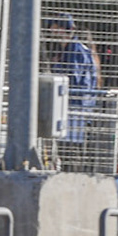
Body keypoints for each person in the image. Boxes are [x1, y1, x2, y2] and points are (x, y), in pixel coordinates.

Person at [46, 15, 100, 143]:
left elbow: (74, 78)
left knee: (70, 147)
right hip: (74, 106)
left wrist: (57, 68)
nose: (51, 32)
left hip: (76, 106)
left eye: (54, 28)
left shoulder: (76, 50)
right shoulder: (69, 49)